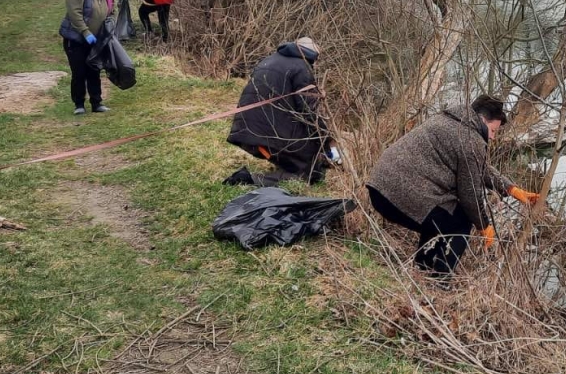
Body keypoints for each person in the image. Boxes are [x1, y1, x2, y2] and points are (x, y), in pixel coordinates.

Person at [366, 95, 541, 276]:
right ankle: (440, 278)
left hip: (380, 186)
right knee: (461, 220)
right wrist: (484, 225)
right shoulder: (470, 139)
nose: (493, 137)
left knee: (442, 211)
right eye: (493, 131)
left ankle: (423, 265)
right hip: (397, 195)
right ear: (482, 120)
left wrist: (511, 189)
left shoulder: (448, 119)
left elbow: (478, 166)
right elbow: (469, 194)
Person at [226, 37, 341, 186]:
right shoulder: (302, 68)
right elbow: (308, 112)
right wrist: (326, 138)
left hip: (245, 127)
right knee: (310, 173)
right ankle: (249, 179)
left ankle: (289, 164)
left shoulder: (269, 59)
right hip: (266, 133)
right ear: (312, 55)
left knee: (301, 156)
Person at [59, 0, 114, 115]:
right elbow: (74, 14)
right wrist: (85, 32)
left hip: (95, 40)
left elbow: (110, 12)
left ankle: (96, 103)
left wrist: (109, 27)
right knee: (79, 72)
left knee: (94, 70)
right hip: (76, 39)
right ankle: (79, 105)